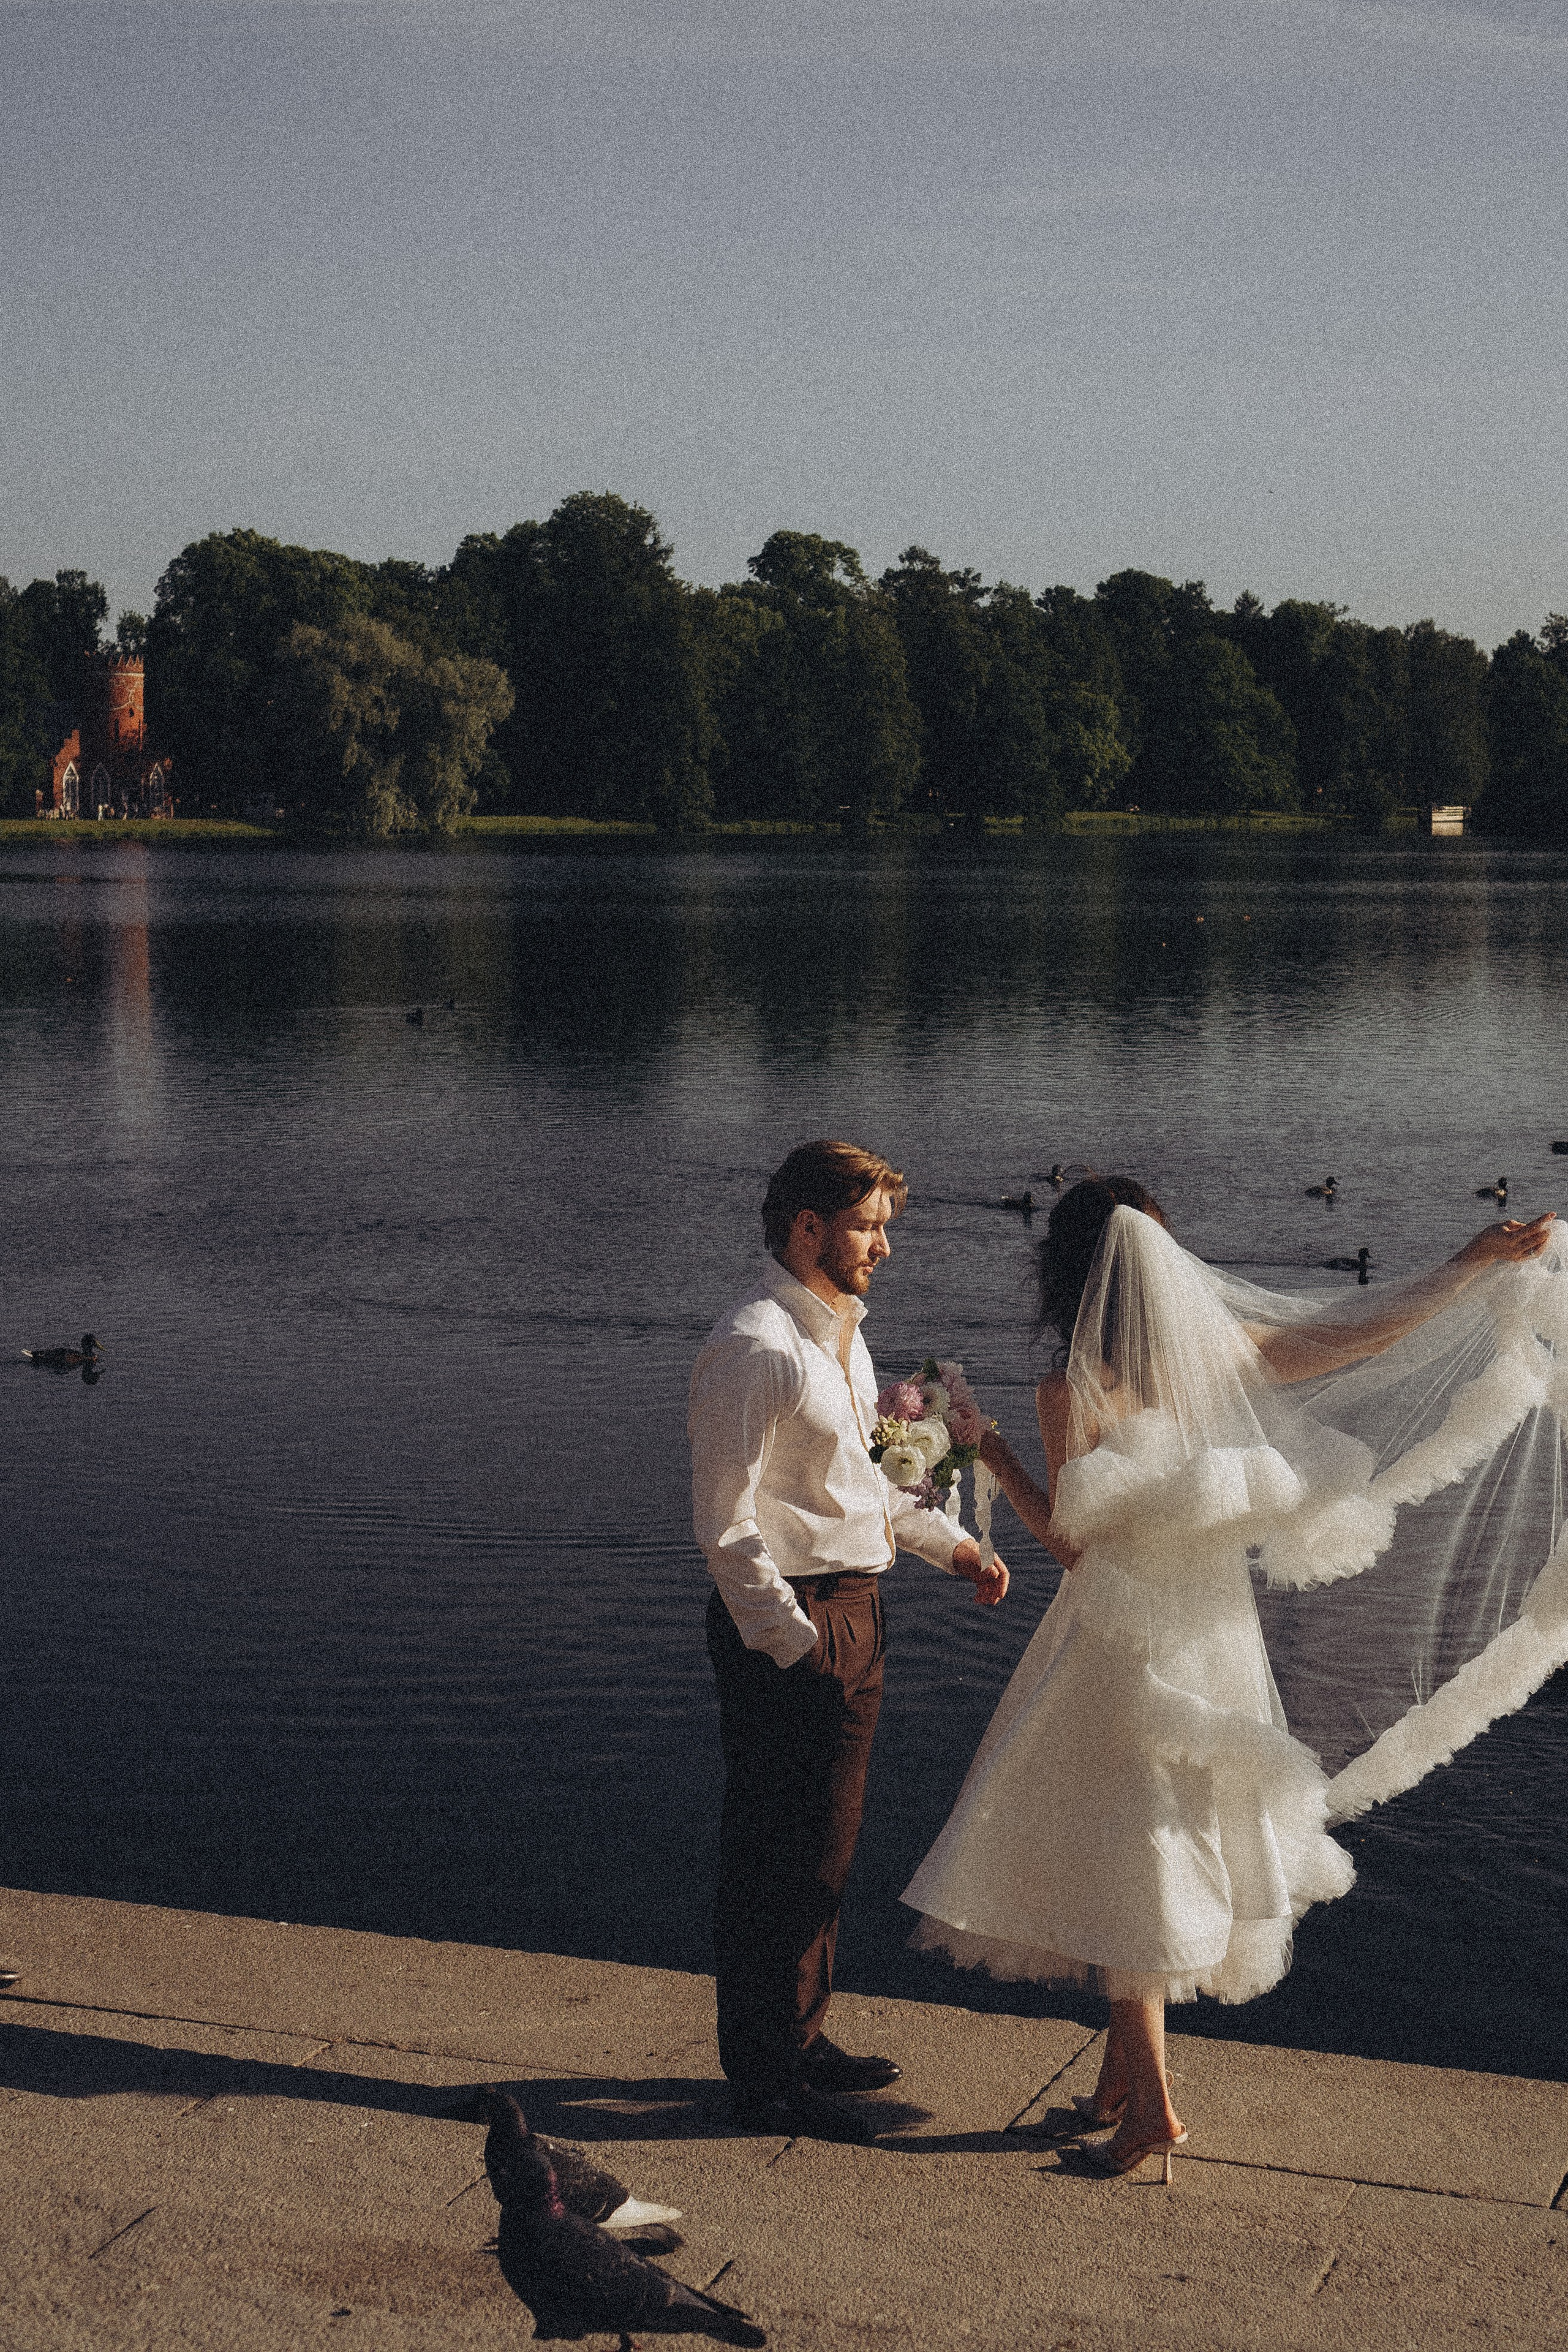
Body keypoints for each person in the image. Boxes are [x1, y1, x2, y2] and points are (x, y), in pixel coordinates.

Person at [903, 1176, 1560, 2182]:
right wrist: (1469, 1262)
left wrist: (985, 1446)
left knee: (1131, 1850)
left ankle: (1152, 2109)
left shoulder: (1066, 1390)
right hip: (1214, 1640)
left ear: (1066, 1277)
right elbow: (1363, 1331)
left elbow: (1072, 1547)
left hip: (1118, 1646)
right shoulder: (1222, 1359)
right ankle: (1120, 2082)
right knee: (1153, 1838)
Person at [690, 1139, 1010, 2141]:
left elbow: (869, 1483)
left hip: (857, 1608)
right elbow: (725, 1526)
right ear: (807, 1228)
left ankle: (801, 2037)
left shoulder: (843, 1340)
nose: (883, 1246)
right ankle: (765, 2079)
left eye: (885, 1227)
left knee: (825, 1850)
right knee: (774, 1854)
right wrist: (794, 1645)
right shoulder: (755, 1346)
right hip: (792, 1619)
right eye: (868, 1226)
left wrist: (955, 1548)